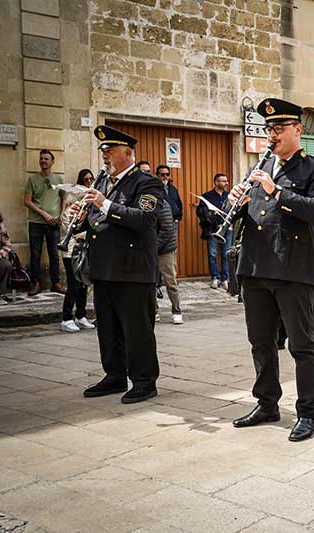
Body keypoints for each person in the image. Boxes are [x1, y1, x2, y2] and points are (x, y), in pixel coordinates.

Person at [229, 98, 314, 442]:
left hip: (291, 269)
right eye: (268, 130)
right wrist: (240, 204)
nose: (271, 136)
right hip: (256, 266)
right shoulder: (260, 168)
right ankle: (267, 403)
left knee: (302, 345)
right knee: (260, 342)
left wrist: (278, 191)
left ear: (297, 130)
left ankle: (306, 412)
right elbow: (258, 216)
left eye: (278, 129)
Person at [72, 125, 163, 404]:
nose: (105, 157)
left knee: (137, 330)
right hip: (104, 267)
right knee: (108, 327)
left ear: (127, 152)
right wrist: (81, 215)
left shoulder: (146, 182)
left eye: (110, 151)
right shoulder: (102, 182)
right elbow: (96, 221)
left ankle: (144, 381)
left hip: (133, 269)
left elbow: (144, 219)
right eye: (103, 152)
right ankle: (114, 376)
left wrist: (105, 204)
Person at [139, 161, 183, 324]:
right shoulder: (144, 205)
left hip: (165, 248)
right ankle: (154, 310)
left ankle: (176, 311)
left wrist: (153, 248)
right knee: (150, 282)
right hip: (150, 248)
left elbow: (166, 231)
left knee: (170, 281)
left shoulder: (163, 205)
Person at [24, 149, 65, 296]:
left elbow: (63, 197)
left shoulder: (59, 179)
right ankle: (35, 283)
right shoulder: (32, 180)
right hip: (36, 223)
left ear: (52, 162)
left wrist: (61, 214)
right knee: (35, 254)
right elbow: (27, 201)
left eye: (46, 159)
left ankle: (56, 283)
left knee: (54, 253)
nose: (43, 161)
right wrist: (44, 214)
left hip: (53, 222)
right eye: (41, 158)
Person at [59, 170, 96, 332]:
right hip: (71, 253)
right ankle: (66, 318)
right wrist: (89, 230)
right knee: (73, 285)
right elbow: (73, 233)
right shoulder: (69, 213)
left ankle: (81, 316)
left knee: (83, 286)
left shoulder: (89, 212)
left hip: (85, 252)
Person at [197, 173, 231, 289]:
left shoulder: (229, 195)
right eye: (223, 181)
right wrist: (209, 213)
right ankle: (215, 278)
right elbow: (199, 211)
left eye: (226, 181)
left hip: (227, 229)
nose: (226, 183)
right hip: (213, 229)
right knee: (212, 255)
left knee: (226, 255)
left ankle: (224, 279)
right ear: (216, 182)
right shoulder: (207, 196)